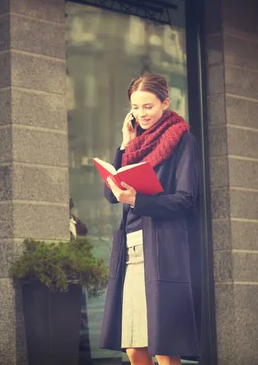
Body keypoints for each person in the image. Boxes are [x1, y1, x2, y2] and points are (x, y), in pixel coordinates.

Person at [99, 73, 201, 365]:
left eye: (148, 106)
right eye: (135, 107)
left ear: (165, 103)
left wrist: (138, 201)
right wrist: (123, 144)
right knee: (134, 345)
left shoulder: (183, 141)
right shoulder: (134, 144)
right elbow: (110, 194)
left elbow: (186, 200)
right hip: (130, 250)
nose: (141, 114)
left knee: (164, 347)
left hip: (162, 251)